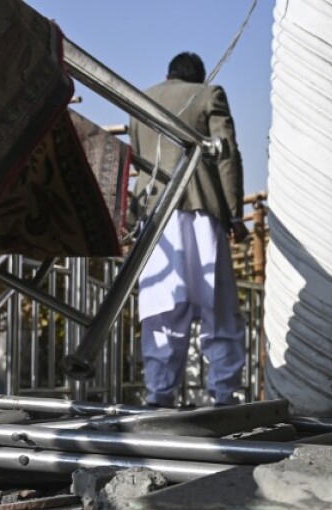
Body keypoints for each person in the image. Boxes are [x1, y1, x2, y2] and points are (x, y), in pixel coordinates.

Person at [128, 52, 247, 407]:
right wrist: (234, 215)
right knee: (219, 308)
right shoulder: (209, 94)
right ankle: (225, 395)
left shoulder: (140, 100)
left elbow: (137, 158)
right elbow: (226, 155)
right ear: (197, 76)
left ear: (169, 73)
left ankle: (158, 395)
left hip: (155, 216)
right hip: (200, 209)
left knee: (162, 310)